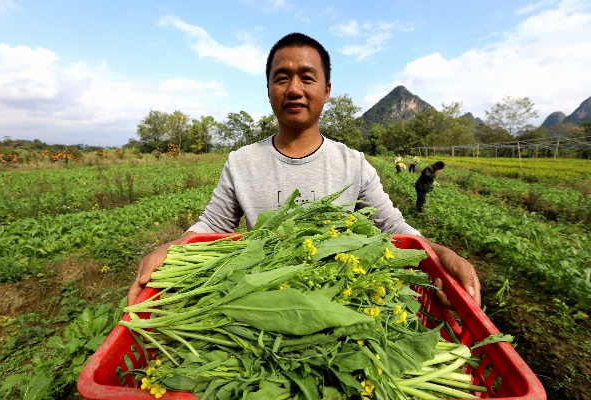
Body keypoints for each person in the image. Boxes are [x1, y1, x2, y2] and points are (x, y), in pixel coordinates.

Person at [127, 33, 480, 309]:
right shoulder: (242, 162)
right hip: (261, 299)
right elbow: (212, 227)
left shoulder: (352, 164)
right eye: (282, 78)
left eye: (307, 78)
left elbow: (395, 228)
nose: (294, 88)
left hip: (338, 296)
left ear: (326, 91)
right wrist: (171, 248)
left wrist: (442, 254)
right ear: (269, 90)